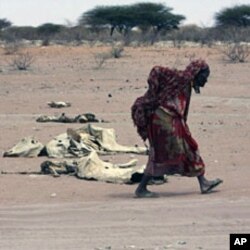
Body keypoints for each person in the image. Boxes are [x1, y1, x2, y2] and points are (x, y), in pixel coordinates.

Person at [131, 59, 223, 198]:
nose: (205, 81)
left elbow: (182, 110)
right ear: (197, 74)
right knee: (159, 155)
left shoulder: (187, 85)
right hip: (161, 121)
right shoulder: (179, 79)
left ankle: (203, 182)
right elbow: (156, 70)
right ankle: (141, 189)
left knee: (190, 148)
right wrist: (153, 92)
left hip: (173, 121)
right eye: (204, 77)